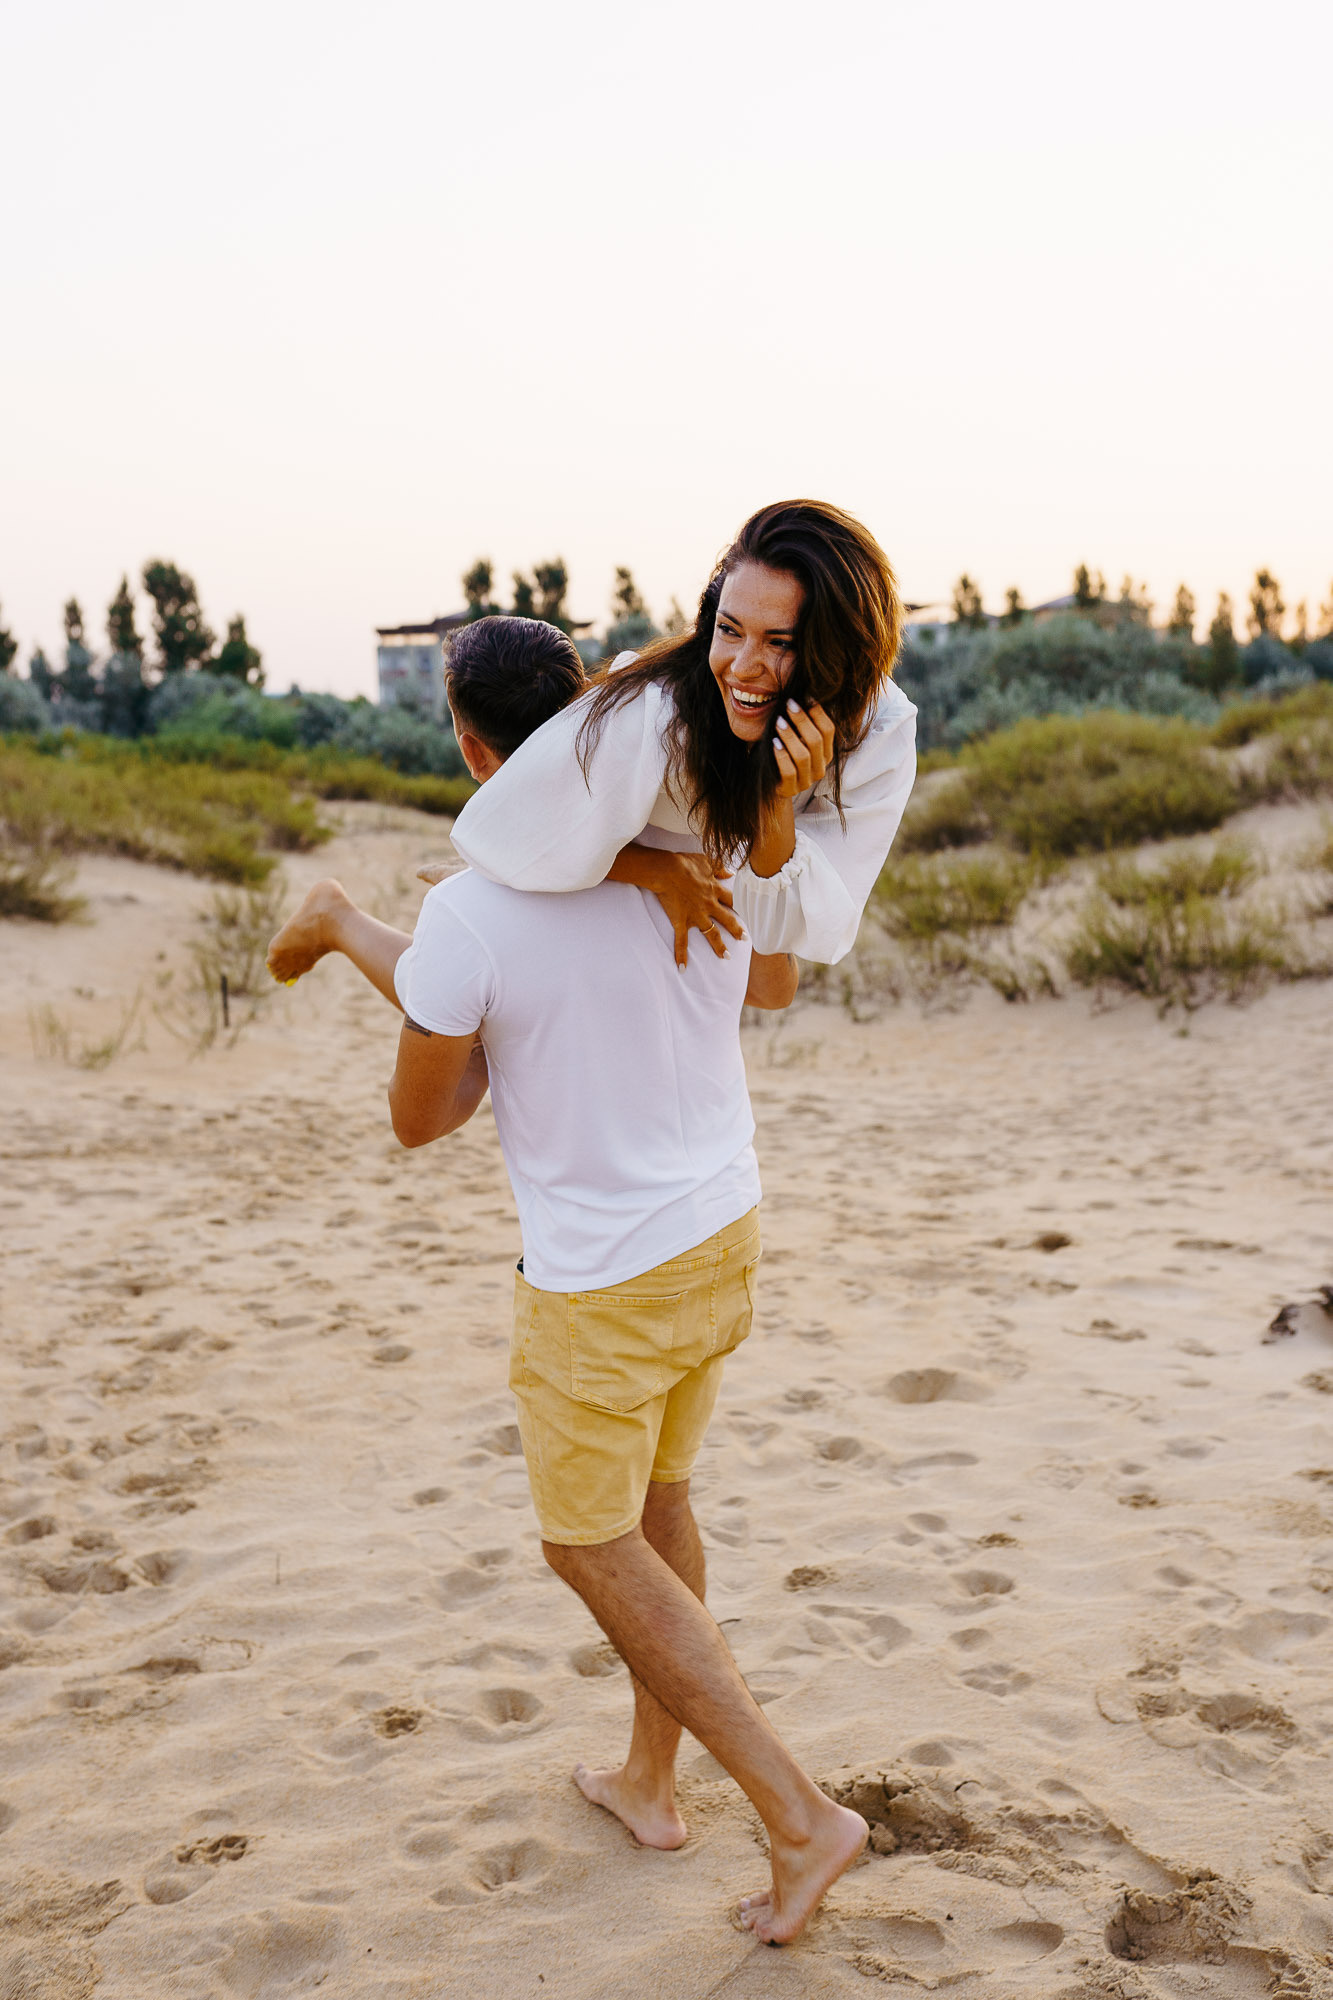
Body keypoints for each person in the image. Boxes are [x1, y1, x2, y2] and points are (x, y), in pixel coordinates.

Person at [267, 615, 869, 1943]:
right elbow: (768, 979)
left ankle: (797, 1814)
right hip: (723, 1229)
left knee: (585, 1543)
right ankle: (650, 1784)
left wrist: (433, 980)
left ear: (478, 752)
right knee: (661, 1503)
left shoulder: (473, 910)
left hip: (602, 1278)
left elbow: (426, 1117)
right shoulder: (703, 838)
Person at [442, 498, 917, 972]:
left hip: (736, 858)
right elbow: (497, 826)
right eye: (729, 630)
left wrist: (772, 797)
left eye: (780, 642)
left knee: (773, 984)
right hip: (635, 829)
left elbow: (791, 934)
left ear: (841, 651)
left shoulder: (880, 732)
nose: (742, 668)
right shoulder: (656, 714)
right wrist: (656, 868)